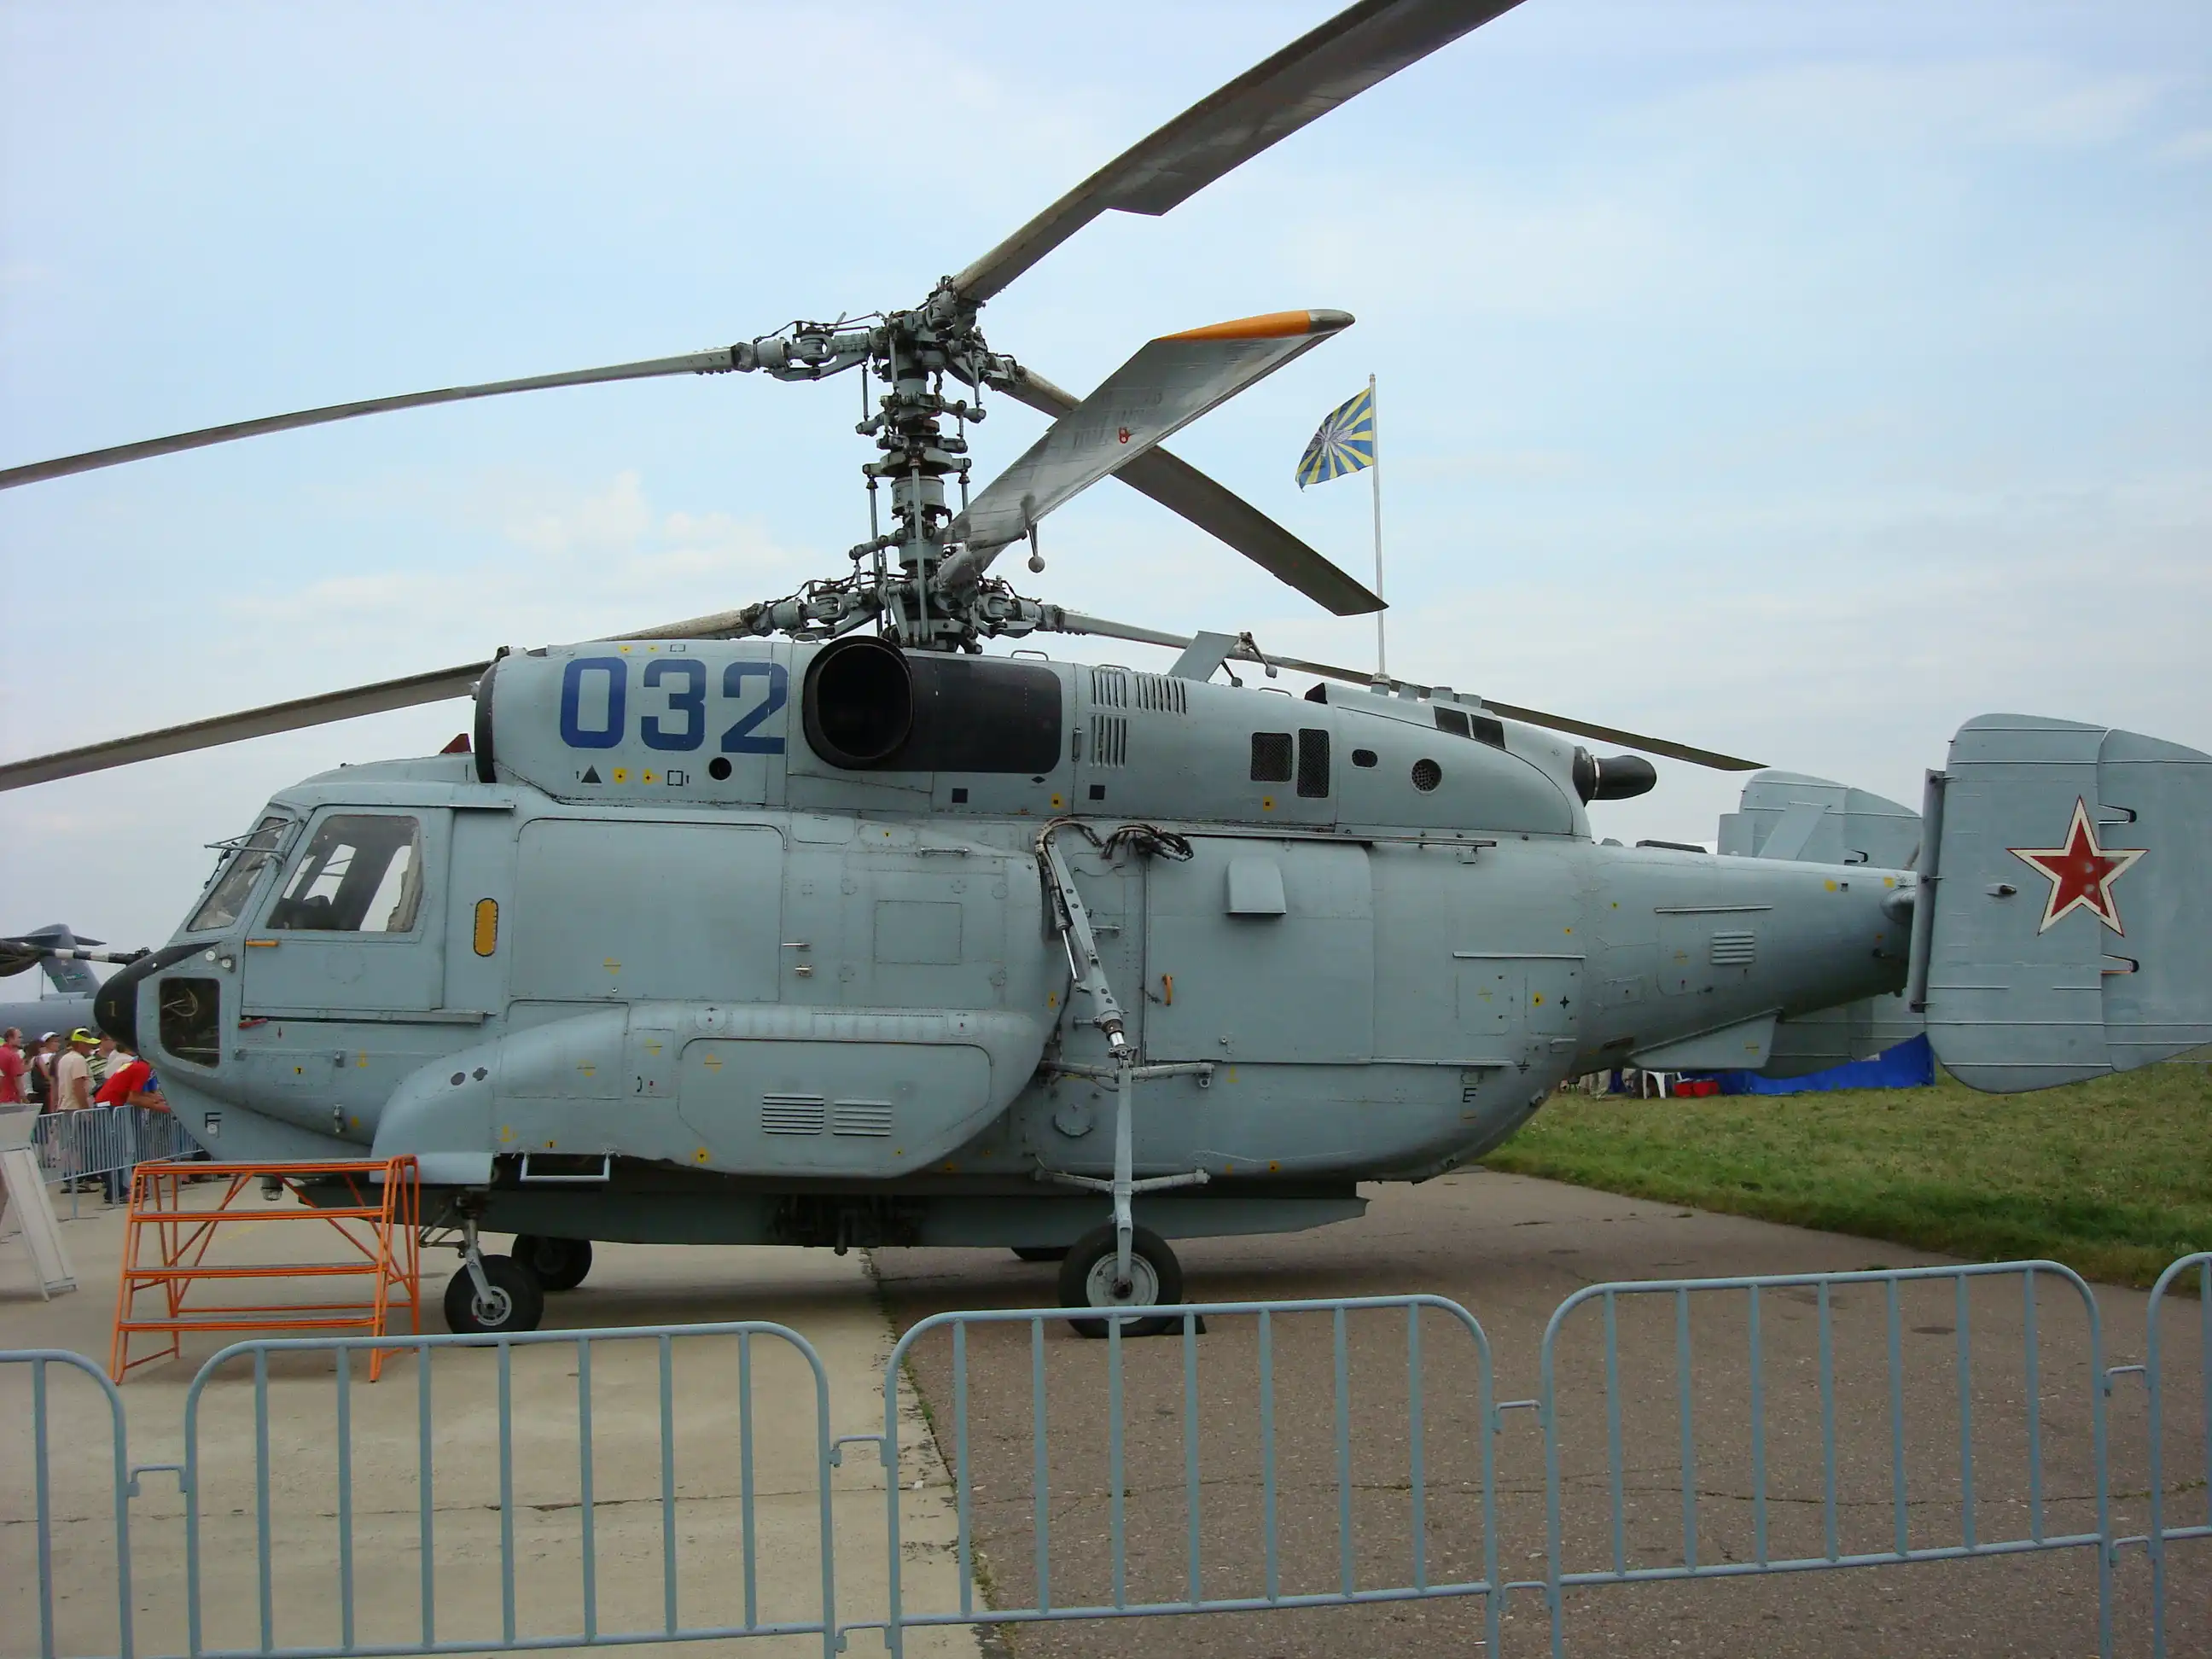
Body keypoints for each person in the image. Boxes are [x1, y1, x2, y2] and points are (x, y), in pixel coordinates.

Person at [55, 1028, 99, 1192]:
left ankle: (71, 1178)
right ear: (80, 1044)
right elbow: (78, 1086)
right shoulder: (78, 1060)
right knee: (81, 1144)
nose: (90, 1048)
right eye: (87, 1044)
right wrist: (86, 1110)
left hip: (66, 1106)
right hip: (76, 1107)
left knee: (70, 1144)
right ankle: (79, 1178)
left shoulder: (64, 1058)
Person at [0, 1027, 23, 1106]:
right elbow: (18, 1080)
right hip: (10, 1099)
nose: (21, 1040)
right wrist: (24, 1098)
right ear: (10, 1038)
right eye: (19, 1037)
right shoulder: (13, 1056)